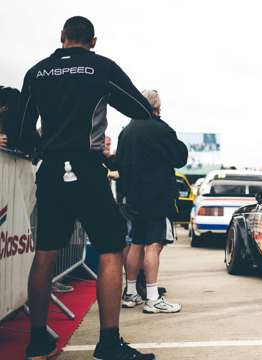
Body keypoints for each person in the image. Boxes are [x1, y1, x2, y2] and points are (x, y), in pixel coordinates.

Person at [15, 16, 155, 360]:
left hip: (50, 171)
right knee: (109, 249)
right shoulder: (101, 67)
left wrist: (42, 143)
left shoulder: (37, 72)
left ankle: (37, 342)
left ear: (62, 37)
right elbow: (141, 109)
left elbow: (20, 130)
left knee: (45, 252)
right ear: (93, 41)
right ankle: (108, 343)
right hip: (87, 169)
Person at [117, 89, 187, 314]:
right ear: (156, 106)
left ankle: (130, 293)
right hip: (157, 197)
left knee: (136, 243)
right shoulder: (160, 128)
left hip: (133, 197)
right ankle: (153, 297)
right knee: (153, 245)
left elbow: (119, 162)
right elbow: (180, 158)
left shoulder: (126, 131)